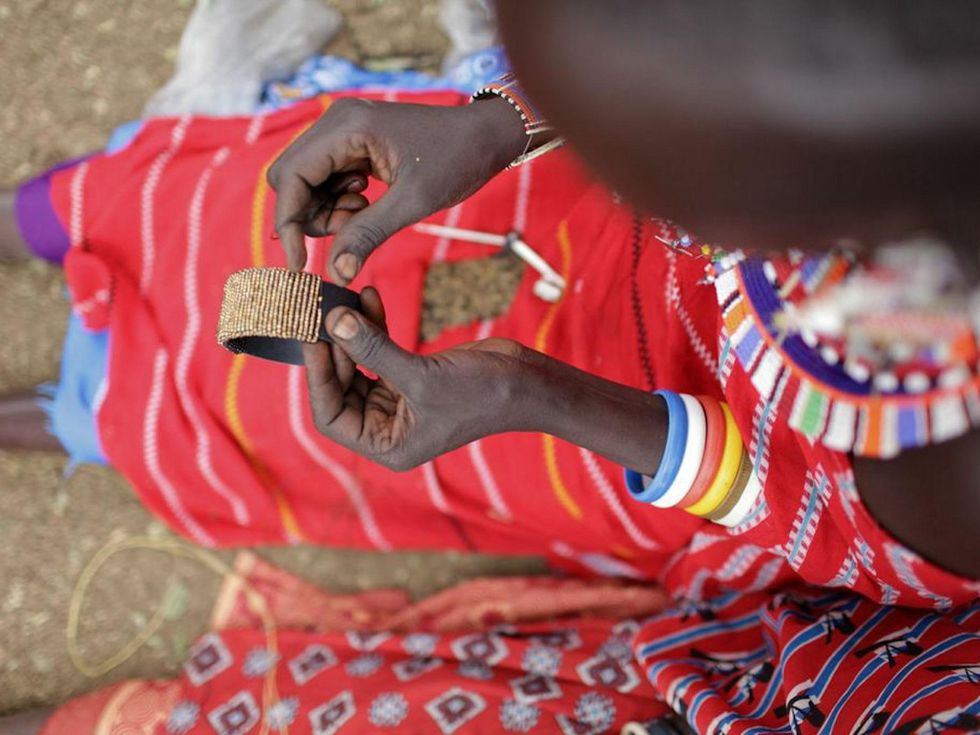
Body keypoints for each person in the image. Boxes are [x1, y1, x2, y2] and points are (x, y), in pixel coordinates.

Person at [1, 1, 978, 732]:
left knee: (247, 427)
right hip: (625, 258)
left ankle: (88, 418)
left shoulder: (940, 450)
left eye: (645, 160)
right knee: (207, 207)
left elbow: (804, 516)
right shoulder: (870, 115)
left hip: (658, 450)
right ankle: (74, 223)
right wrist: (500, 119)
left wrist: (532, 394)